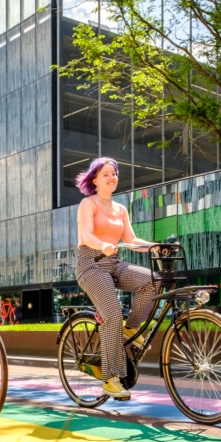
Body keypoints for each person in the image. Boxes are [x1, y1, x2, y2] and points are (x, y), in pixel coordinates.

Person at [75, 157, 156, 401]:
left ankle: (130, 328)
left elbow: (131, 240)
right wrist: (103, 245)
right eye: (106, 174)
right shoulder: (88, 204)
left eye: (114, 173)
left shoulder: (121, 209)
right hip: (91, 264)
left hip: (113, 262)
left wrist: (155, 246)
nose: (112, 177)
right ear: (95, 180)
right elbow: (87, 235)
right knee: (112, 314)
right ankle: (111, 379)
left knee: (153, 280)